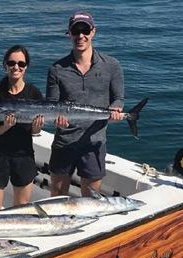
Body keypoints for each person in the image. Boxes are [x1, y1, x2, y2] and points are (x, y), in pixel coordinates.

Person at [46, 11, 124, 197]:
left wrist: (116, 109)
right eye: (76, 31)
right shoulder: (56, 69)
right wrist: (57, 121)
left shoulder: (111, 65)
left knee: (91, 197)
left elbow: (118, 98)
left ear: (93, 32)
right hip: (64, 141)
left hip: (94, 142)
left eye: (85, 30)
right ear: (69, 33)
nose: (80, 35)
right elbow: (51, 105)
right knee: (57, 193)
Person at [0, 45, 44, 211]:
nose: (16, 67)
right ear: (5, 65)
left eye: (21, 63)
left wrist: (37, 128)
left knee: (21, 207)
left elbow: (35, 131)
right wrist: (6, 126)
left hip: (24, 155)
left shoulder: (34, 93)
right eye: (11, 63)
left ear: (26, 67)